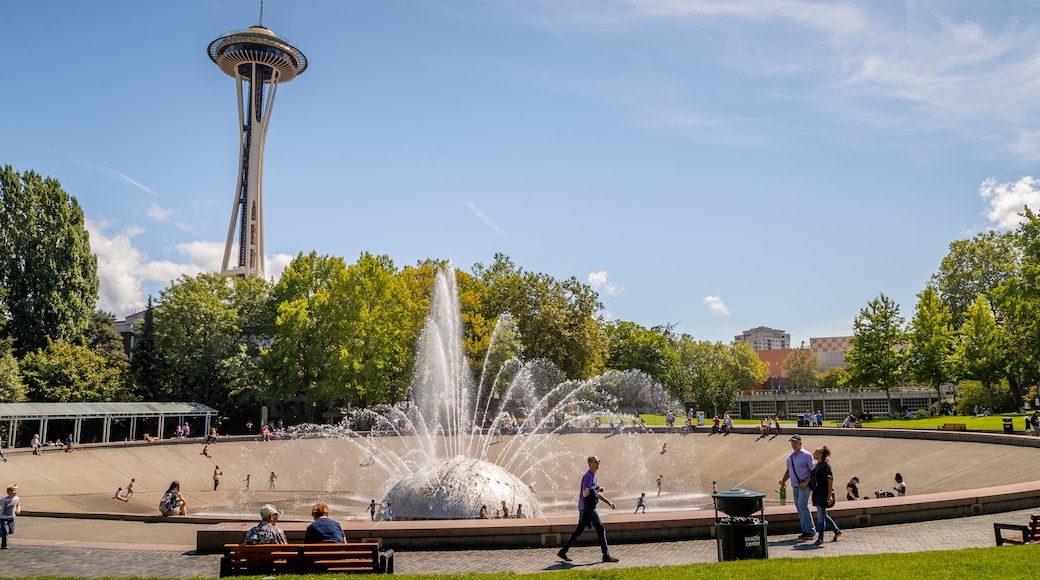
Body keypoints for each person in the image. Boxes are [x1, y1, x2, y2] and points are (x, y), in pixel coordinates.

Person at [556, 455, 619, 564]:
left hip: (585, 508)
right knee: (600, 529)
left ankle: (563, 551)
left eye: (599, 461)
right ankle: (606, 555)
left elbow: (596, 493)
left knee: (579, 530)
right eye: (596, 461)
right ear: (590, 464)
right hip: (587, 509)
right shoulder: (588, 476)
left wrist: (608, 502)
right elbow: (586, 493)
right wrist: (595, 488)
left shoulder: (594, 476)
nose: (598, 463)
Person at [779, 434, 816, 540]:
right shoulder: (790, 456)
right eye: (792, 442)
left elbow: (813, 471)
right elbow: (789, 470)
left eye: (795, 442)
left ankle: (810, 530)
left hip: (805, 485)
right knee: (799, 507)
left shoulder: (807, 455)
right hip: (795, 485)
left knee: (802, 506)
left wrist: (806, 482)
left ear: (800, 443)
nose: (793, 444)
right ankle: (805, 530)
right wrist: (783, 480)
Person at [810, 446, 843, 545]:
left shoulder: (826, 466)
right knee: (823, 515)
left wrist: (829, 496)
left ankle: (820, 538)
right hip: (817, 493)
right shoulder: (816, 465)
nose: (813, 454)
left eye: (815, 452)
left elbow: (830, 481)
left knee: (820, 516)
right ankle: (837, 531)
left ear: (820, 454)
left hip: (823, 493)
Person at [0, 484, 20, 549]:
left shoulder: (17, 498)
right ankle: (4, 545)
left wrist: (18, 509)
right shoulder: (3, 500)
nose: (15, 492)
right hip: (3, 518)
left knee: (11, 531)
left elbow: (18, 504)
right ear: (9, 492)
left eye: (16, 490)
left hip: (11, 518)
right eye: (13, 490)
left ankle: (1, 531)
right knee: (5, 531)